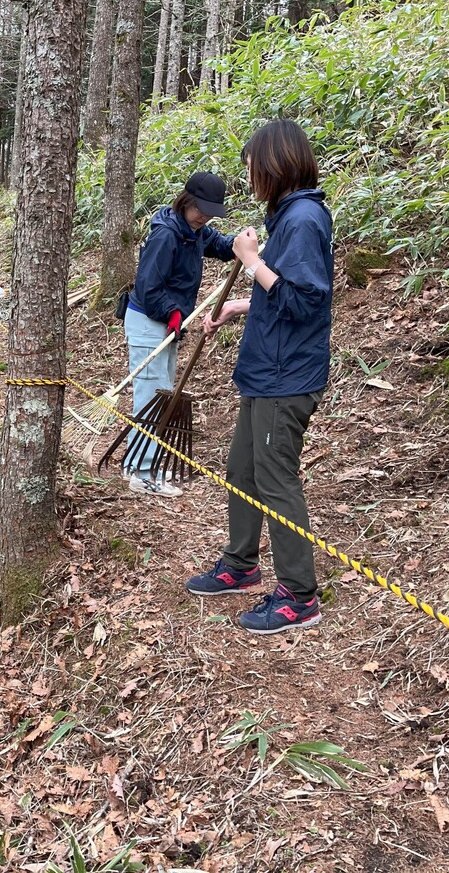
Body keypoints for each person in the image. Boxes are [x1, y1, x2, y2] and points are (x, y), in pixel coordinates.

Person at [184, 119, 334, 636]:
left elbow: (306, 302)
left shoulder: (304, 219)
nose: (250, 178)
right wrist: (242, 305)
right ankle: (240, 564)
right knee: (243, 471)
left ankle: (298, 596)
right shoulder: (289, 215)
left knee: (275, 479)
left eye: (252, 168)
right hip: (265, 369)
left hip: (286, 376)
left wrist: (249, 261)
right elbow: (283, 291)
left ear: (274, 164)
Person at [121, 171, 235, 499]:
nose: (204, 217)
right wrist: (172, 311)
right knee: (151, 396)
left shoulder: (193, 231)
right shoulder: (166, 235)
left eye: (211, 212)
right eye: (200, 209)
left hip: (168, 323)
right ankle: (142, 472)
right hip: (148, 321)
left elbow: (219, 245)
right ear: (186, 201)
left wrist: (238, 245)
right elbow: (148, 286)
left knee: (162, 393)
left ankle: (141, 462)